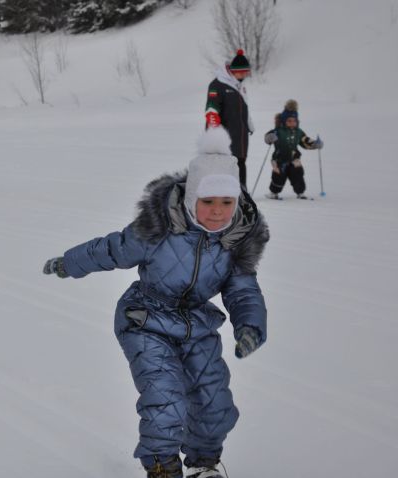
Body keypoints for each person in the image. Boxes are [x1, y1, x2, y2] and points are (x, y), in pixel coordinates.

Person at [43, 128, 269, 478]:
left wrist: (250, 325)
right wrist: (67, 263)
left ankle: (203, 465)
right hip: (145, 319)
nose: (217, 212)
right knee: (166, 401)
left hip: (196, 325)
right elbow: (112, 249)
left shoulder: (236, 240)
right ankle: (162, 467)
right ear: (192, 197)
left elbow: (243, 290)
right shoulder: (159, 227)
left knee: (216, 405)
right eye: (208, 202)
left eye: (227, 202)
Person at [205, 49, 255, 188]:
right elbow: (211, 110)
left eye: (246, 72)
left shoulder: (239, 85)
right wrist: (215, 133)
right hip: (224, 136)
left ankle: (242, 193)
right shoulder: (218, 85)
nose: (244, 74)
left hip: (240, 134)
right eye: (242, 71)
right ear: (233, 70)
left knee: (241, 163)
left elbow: (243, 107)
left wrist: (249, 123)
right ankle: (224, 194)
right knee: (225, 165)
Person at [263, 100, 324, 200]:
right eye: (289, 121)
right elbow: (267, 137)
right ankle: (274, 192)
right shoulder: (278, 131)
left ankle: (300, 192)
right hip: (279, 159)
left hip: (294, 158)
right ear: (284, 121)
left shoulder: (298, 132)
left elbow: (305, 141)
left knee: (298, 174)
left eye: (294, 121)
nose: (292, 123)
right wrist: (270, 137)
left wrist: (315, 144)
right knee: (278, 176)